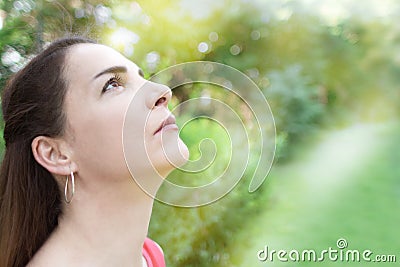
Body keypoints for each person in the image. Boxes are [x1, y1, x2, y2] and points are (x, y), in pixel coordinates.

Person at [0, 36, 189, 267]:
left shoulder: (150, 256)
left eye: (142, 78)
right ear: (55, 153)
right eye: (112, 84)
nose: (162, 92)